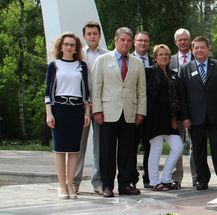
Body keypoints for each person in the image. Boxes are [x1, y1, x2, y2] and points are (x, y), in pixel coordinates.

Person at [92, 27, 146, 198]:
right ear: (115, 41)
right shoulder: (102, 60)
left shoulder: (137, 63)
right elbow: (97, 87)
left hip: (130, 113)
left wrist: (141, 112)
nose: (125, 43)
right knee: (107, 151)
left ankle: (125, 184)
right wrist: (97, 110)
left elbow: (141, 90)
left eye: (128, 41)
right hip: (108, 112)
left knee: (127, 151)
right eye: (122, 40)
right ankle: (107, 185)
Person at [179, 36, 217, 191]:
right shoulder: (186, 69)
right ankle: (202, 180)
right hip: (195, 117)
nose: (199, 50)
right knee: (198, 150)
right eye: (196, 48)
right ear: (192, 49)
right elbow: (182, 95)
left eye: (202, 47)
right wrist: (185, 116)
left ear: (208, 49)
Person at [45, 33, 91, 199]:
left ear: (76, 48)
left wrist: (87, 112)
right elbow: (48, 92)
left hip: (76, 110)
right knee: (59, 150)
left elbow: (86, 91)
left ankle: (70, 185)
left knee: (73, 150)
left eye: (72, 45)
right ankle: (61, 186)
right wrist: (49, 113)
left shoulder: (81, 66)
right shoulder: (54, 65)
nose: (69, 47)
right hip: (59, 110)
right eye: (66, 44)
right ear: (61, 46)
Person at [143, 44, 186, 190]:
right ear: (155, 58)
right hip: (154, 117)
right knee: (156, 148)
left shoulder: (173, 73)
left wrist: (175, 117)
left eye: (166, 54)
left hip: (170, 118)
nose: (164, 57)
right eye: (160, 54)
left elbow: (176, 98)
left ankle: (166, 178)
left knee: (178, 146)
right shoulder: (148, 71)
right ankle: (154, 181)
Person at [74, 21, 108, 195]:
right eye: (89, 34)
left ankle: (98, 182)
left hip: (101, 106)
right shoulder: (78, 55)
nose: (92, 36)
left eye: (95, 33)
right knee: (79, 146)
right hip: (81, 106)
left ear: (99, 35)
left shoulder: (108, 55)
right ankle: (74, 181)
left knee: (99, 147)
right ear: (84, 36)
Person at [168, 28, 196, 189]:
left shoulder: (198, 57)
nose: (183, 42)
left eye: (186, 39)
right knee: (176, 145)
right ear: (175, 42)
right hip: (176, 111)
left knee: (195, 145)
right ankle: (176, 178)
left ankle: (196, 177)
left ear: (190, 40)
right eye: (180, 40)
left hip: (194, 109)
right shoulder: (169, 60)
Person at [131, 31, 154, 188]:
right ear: (134, 42)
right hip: (131, 110)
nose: (143, 43)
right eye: (140, 40)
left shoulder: (155, 61)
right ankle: (131, 178)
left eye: (146, 41)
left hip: (151, 112)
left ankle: (148, 178)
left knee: (149, 146)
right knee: (130, 146)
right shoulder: (128, 60)